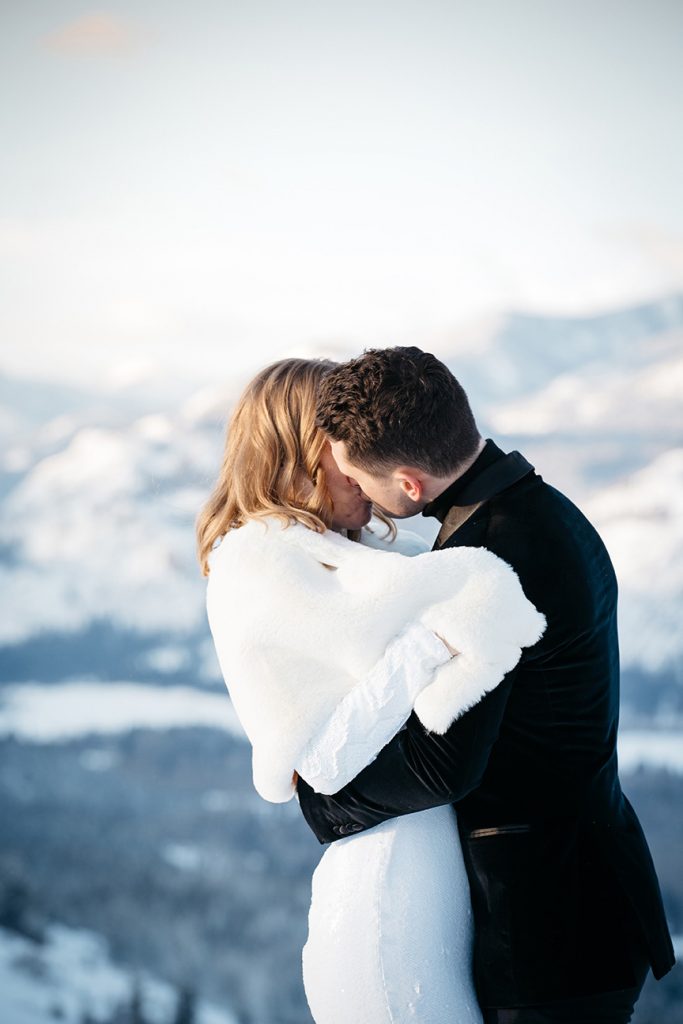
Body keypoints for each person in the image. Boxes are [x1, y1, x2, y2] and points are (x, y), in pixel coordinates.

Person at [297, 345, 676, 1024]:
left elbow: (444, 764)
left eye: (357, 476)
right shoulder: (543, 510)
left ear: (409, 483)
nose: (354, 491)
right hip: (590, 893)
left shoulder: (486, 558)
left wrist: (323, 801)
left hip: (545, 929)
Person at [196, 357, 548, 1024]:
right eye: (348, 447)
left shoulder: (358, 560)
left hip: (438, 879)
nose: (366, 463)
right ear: (300, 455)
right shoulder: (262, 566)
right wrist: (437, 635)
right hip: (388, 892)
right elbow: (318, 762)